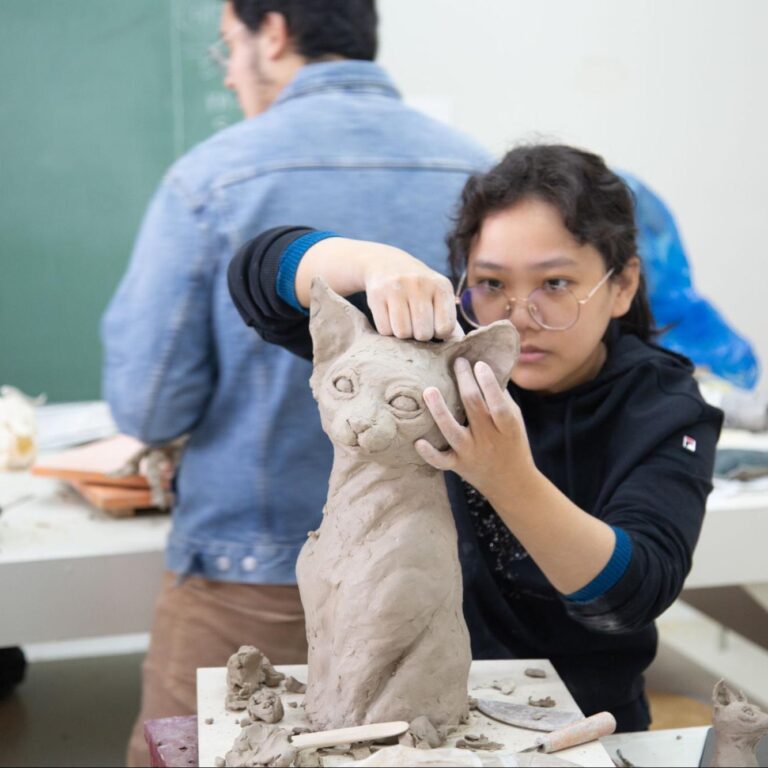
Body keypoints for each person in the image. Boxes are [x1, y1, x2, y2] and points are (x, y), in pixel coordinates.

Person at [100, 1, 490, 764]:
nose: (231, 68)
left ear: (271, 32)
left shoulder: (210, 178)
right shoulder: (478, 172)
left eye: (227, 46)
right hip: (430, 572)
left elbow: (149, 403)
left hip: (249, 571)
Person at [227, 144, 724, 731]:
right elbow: (255, 280)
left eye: (557, 283)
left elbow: (632, 595)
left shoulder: (660, 406)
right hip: (420, 714)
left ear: (621, 286)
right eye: (490, 283)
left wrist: (508, 479)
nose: (520, 316)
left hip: (578, 717)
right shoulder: (436, 352)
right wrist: (370, 263)